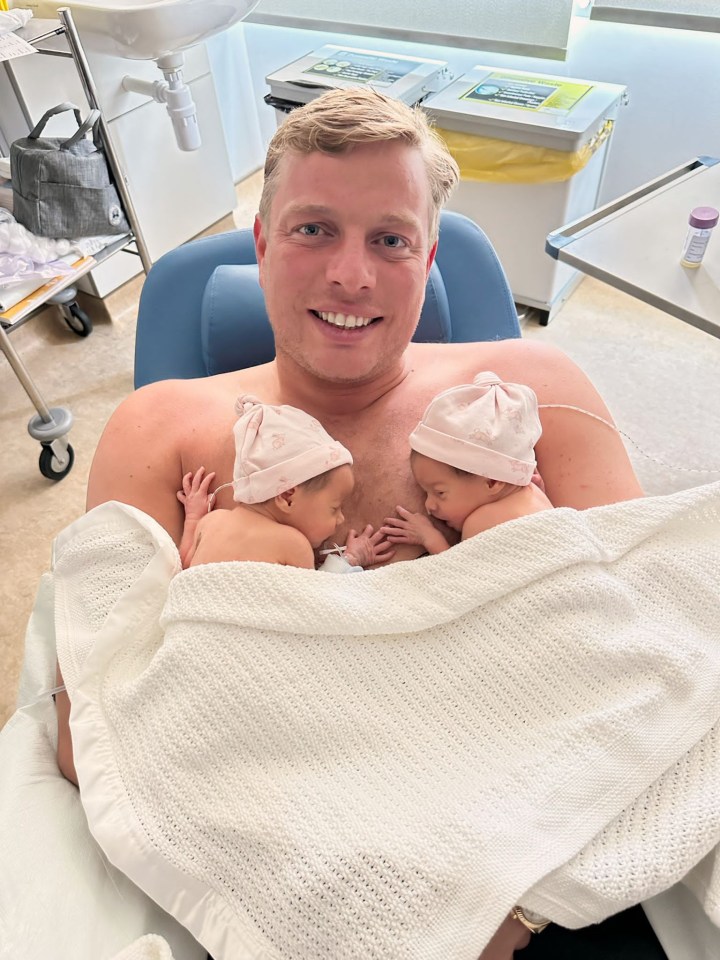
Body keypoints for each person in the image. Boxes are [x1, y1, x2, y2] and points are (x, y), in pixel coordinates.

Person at [54, 86, 658, 958]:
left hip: (548, 864)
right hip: (275, 870)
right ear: (262, 243)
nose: (350, 275)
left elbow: (648, 647)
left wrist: (522, 904)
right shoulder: (162, 429)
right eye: (312, 230)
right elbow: (99, 724)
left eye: (389, 239)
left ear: (428, 257)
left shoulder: (528, 391)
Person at [177, 395, 392, 570]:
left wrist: (194, 516)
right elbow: (317, 600)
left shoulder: (212, 522)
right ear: (287, 497)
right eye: (334, 508)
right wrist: (350, 559)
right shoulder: (293, 544)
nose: (341, 519)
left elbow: (186, 562)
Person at [381, 371, 553, 554]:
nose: (429, 506)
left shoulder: (481, 521)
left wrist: (430, 538)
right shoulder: (536, 494)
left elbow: (462, 575)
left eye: (440, 492)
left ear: (492, 482)